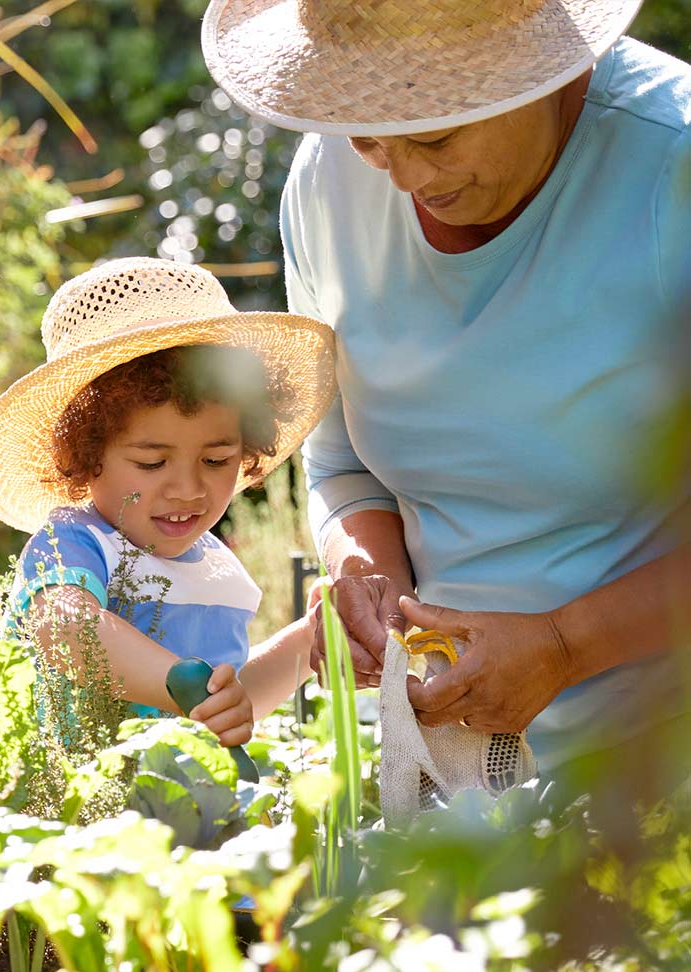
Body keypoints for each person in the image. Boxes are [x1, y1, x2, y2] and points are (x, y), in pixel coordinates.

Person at [202, 0, 691, 775]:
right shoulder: (326, 182)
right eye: (369, 138)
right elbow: (342, 467)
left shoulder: (673, 161)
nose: (406, 179)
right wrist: (366, 576)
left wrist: (564, 646)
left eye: (433, 135)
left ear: (535, 69)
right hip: (450, 766)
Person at [0, 256, 336, 747]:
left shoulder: (216, 568)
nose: (187, 489)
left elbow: (229, 703)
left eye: (216, 460)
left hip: (188, 808)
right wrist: (179, 683)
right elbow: (66, 630)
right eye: (150, 463)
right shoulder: (75, 543)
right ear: (85, 453)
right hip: (87, 806)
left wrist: (310, 640)